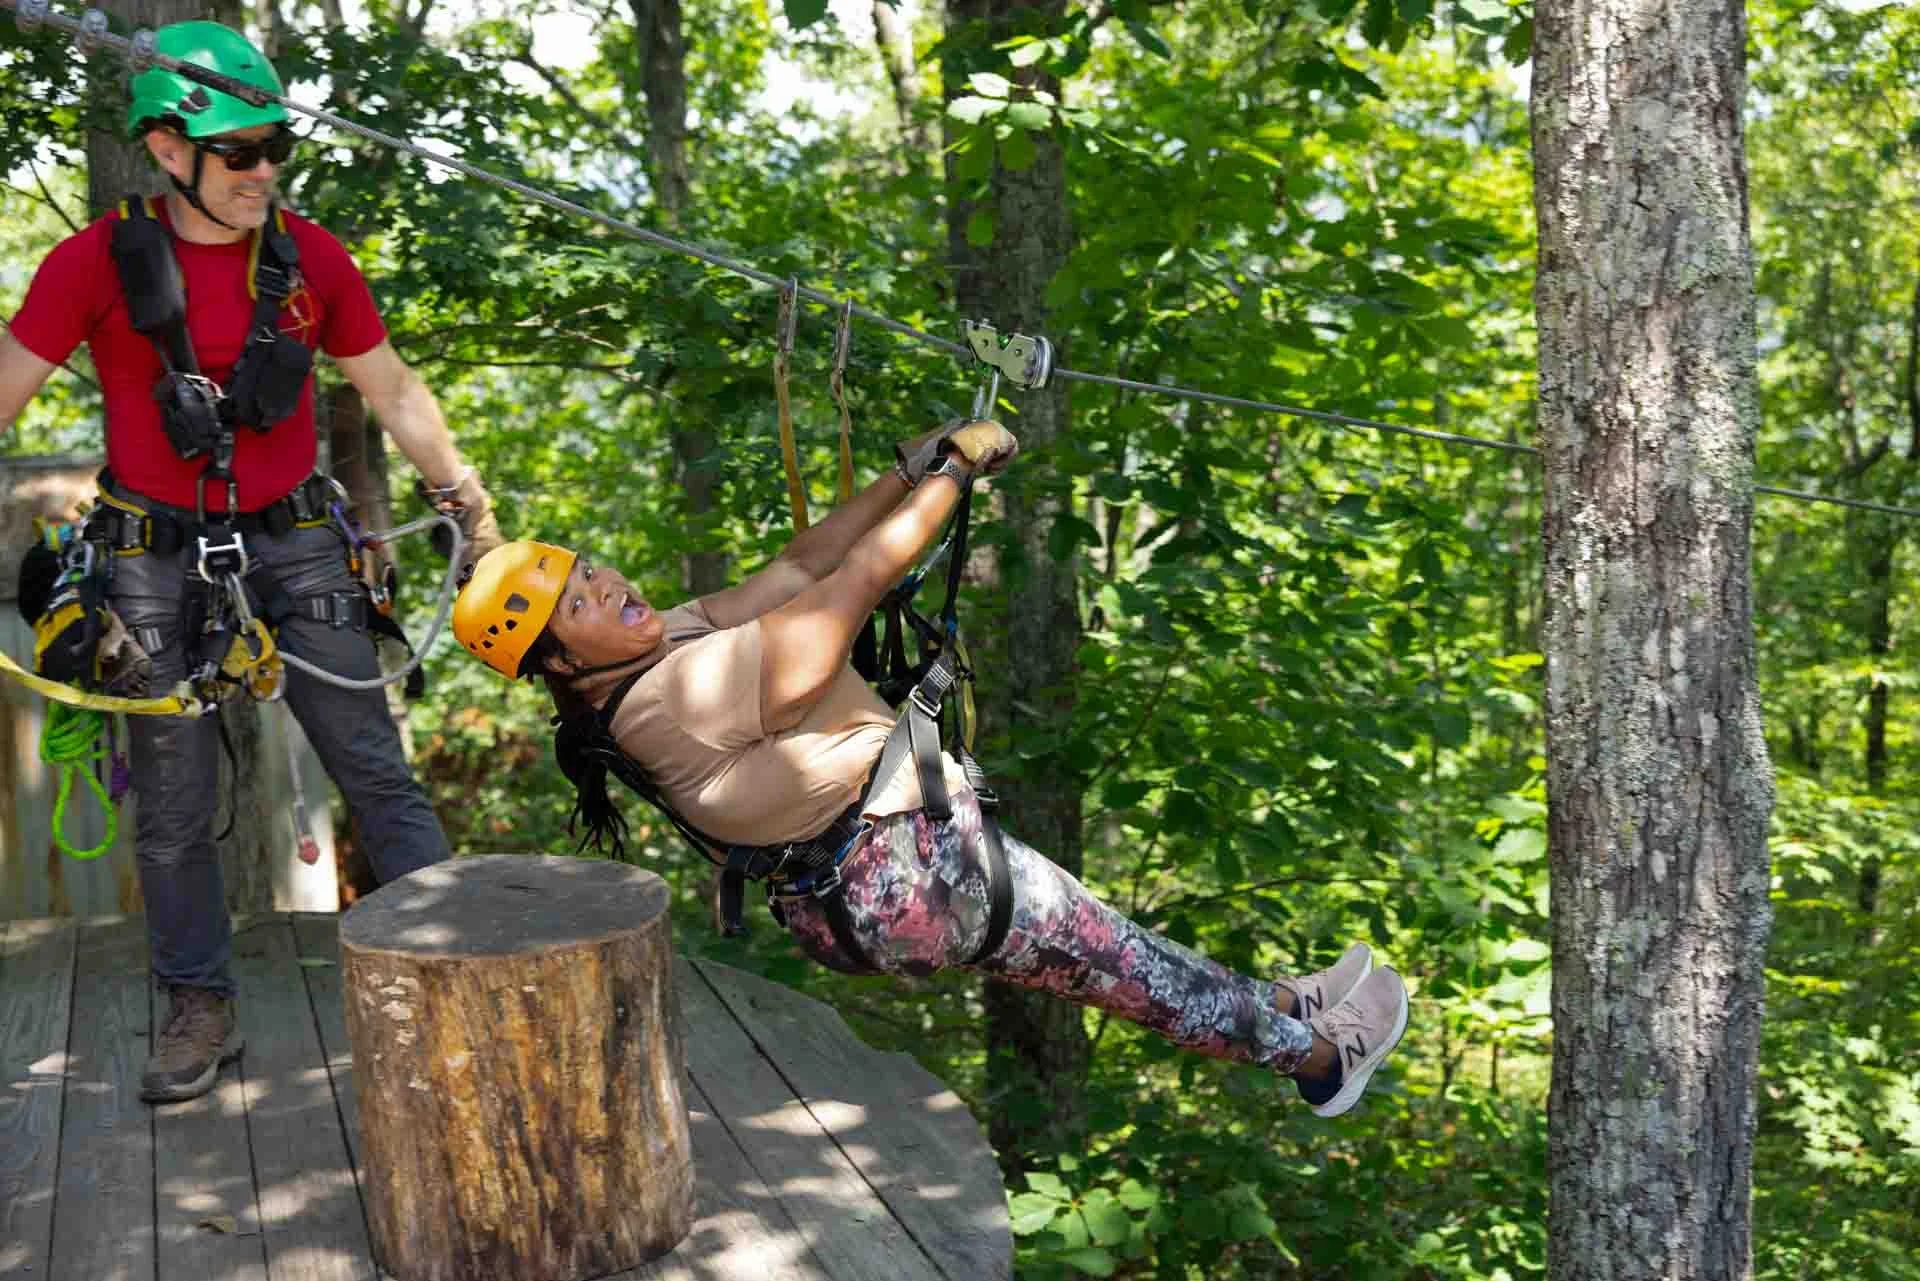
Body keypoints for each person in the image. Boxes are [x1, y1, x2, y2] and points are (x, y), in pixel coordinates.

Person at [451, 419, 1409, 1117]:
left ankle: (1281, 1006)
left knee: (1112, 946)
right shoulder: (673, 695)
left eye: (587, 570)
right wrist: (951, 475)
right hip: (904, 876)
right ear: (566, 666)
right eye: (577, 602)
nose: (607, 583)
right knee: (1126, 965)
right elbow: (844, 592)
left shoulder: (661, 650)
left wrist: (903, 471)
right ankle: (1321, 1058)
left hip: (892, 867)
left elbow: (794, 568)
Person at [0, 22, 502, 1103]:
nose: (264, 170)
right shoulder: (94, 261)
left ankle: (469, 970)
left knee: (371, 767)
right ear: (170, 150)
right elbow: (6, 382)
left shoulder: (310, 257)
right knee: (173, 805)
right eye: (240, 152)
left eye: (277, 147)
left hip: (300, 540)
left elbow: (394, 389)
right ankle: (198, 1004)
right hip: (149, 561)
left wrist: (469, 508)